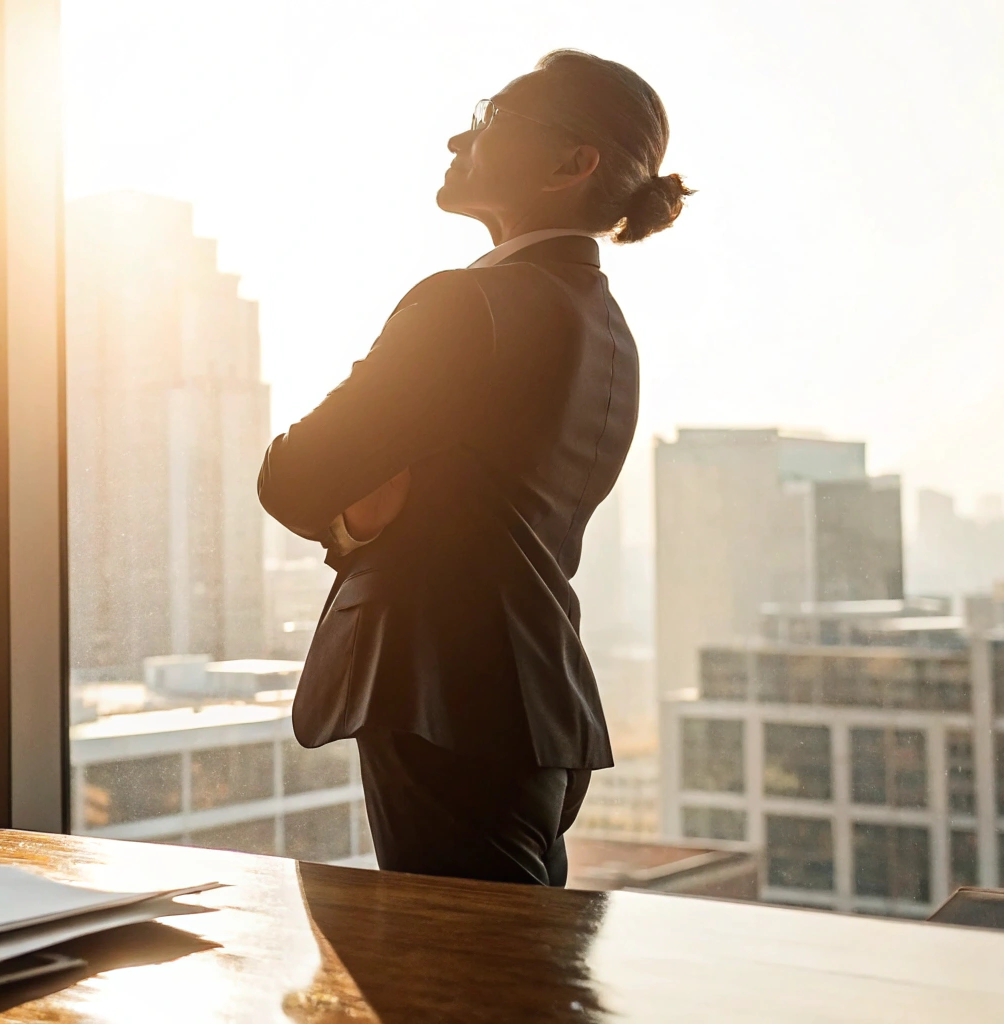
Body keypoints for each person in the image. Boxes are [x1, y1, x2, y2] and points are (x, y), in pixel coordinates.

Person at [256, 50, 689, 886]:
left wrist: (352, 521)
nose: (461, 134)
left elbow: (295, 475)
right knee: (517, 972)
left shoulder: (468, 304)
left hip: (443, 695)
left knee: (468, 986)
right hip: (539, 701)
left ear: (573, 164)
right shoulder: (608, 329)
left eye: (491, 116)